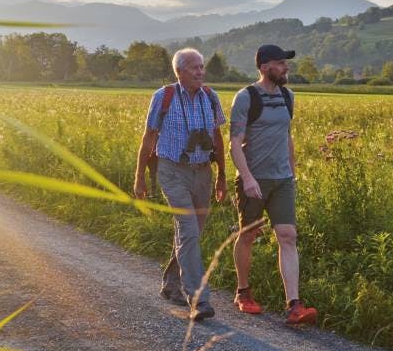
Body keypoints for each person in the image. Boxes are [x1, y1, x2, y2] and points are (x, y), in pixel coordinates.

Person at [134, 48, 226, 322]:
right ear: (180, 72)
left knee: (193, 234)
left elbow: (218, 136)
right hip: (172, 171)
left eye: (202, 67)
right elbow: (149, 138)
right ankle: (199, 299)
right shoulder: (164, 97)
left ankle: (172, 283)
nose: (201, 72)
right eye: (195, 68)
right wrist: (139, 176)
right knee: (187, 231)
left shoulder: (210, 97)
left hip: (202, 172)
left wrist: (221, 174)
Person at [228, 44, 317, 325]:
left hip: (282, 181)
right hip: (253, 179)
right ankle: (243, 292)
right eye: (280, 63)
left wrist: (292, 171)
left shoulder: (288, 97)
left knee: (288, 235)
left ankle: (294, 304)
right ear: (266, 67)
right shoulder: (246, 98)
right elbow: (234, 144)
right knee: (248, 235)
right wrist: (248, 179)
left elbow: (286, 136)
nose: (286, 67)